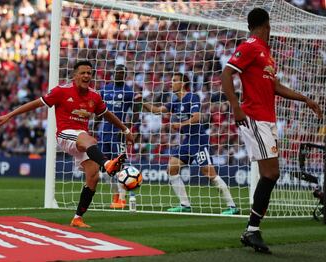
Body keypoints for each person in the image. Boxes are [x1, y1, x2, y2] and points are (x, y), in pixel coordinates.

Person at [221, 8, 323, 253]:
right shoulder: (251, 45)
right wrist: (235, 106)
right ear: (267, 25)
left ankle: (252, 230)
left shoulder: (266, 53)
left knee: (270, 174)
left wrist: (304, 99)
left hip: (267, 119)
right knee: (271, 172)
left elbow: (274, 86)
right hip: (254, 116)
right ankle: (252, 230)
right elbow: (226, 73)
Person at [0, 60, 134, 228]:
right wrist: (9, 115)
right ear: (74, 76)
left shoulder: (94, 96)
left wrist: (125, 130)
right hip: (65, 135)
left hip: (81, 141)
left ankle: (77, 218)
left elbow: (107, 114)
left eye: (89, 73)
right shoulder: (61, 91)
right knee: (90, 139)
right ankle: (107, 163)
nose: (86, 76)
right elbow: (36, 103)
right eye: (82, 72)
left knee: (93, 175)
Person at [140, 72, 239, 214]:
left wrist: (180, 124)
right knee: (172, 168)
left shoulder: (192, 97)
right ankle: (184, 204)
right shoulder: (175, 101)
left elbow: (197, 117)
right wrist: (141, 102)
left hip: (199, 139)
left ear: (183, 83)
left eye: (174, 80)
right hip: (187, 140)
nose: (171, 83)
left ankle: (232, 206)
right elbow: (156, 111)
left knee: (209, 172)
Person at [98, 64, 139, 209]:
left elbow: (135, 112)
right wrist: (96, 127)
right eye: (117, 72)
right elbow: (98, 109)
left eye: (122, 73)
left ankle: (122, 199)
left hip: (118, 134)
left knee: (120, 167)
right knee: (104, 169)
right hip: (104, 133)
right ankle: (115, 195)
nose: (119, 74)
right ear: (113, 73)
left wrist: (127, 127)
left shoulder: (128, 92)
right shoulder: (105, 89)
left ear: (125, 75)